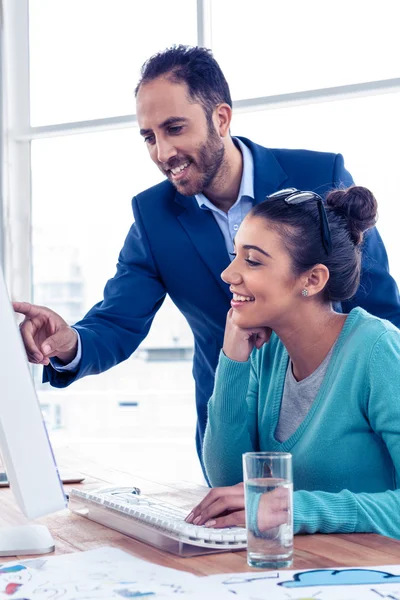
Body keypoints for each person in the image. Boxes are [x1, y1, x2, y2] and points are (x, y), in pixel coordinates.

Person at [13, 45, 400, 477]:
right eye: (149, 137)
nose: (162, 152)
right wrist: (70, 344)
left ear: (220, 118)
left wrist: (379, 393)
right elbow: (120, 319)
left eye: (175, 128)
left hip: (340, 429)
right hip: (231, 427)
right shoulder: (153, 216)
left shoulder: (317, 175)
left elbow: (379, 301)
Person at [185, 185, 400, 538]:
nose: (228, 274)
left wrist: (294, 509)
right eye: (235, 255)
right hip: (297, 573)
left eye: (252, 260)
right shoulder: (267, 351)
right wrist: (232, 361)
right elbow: (231, 487)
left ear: (312, 280)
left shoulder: (378, 351)